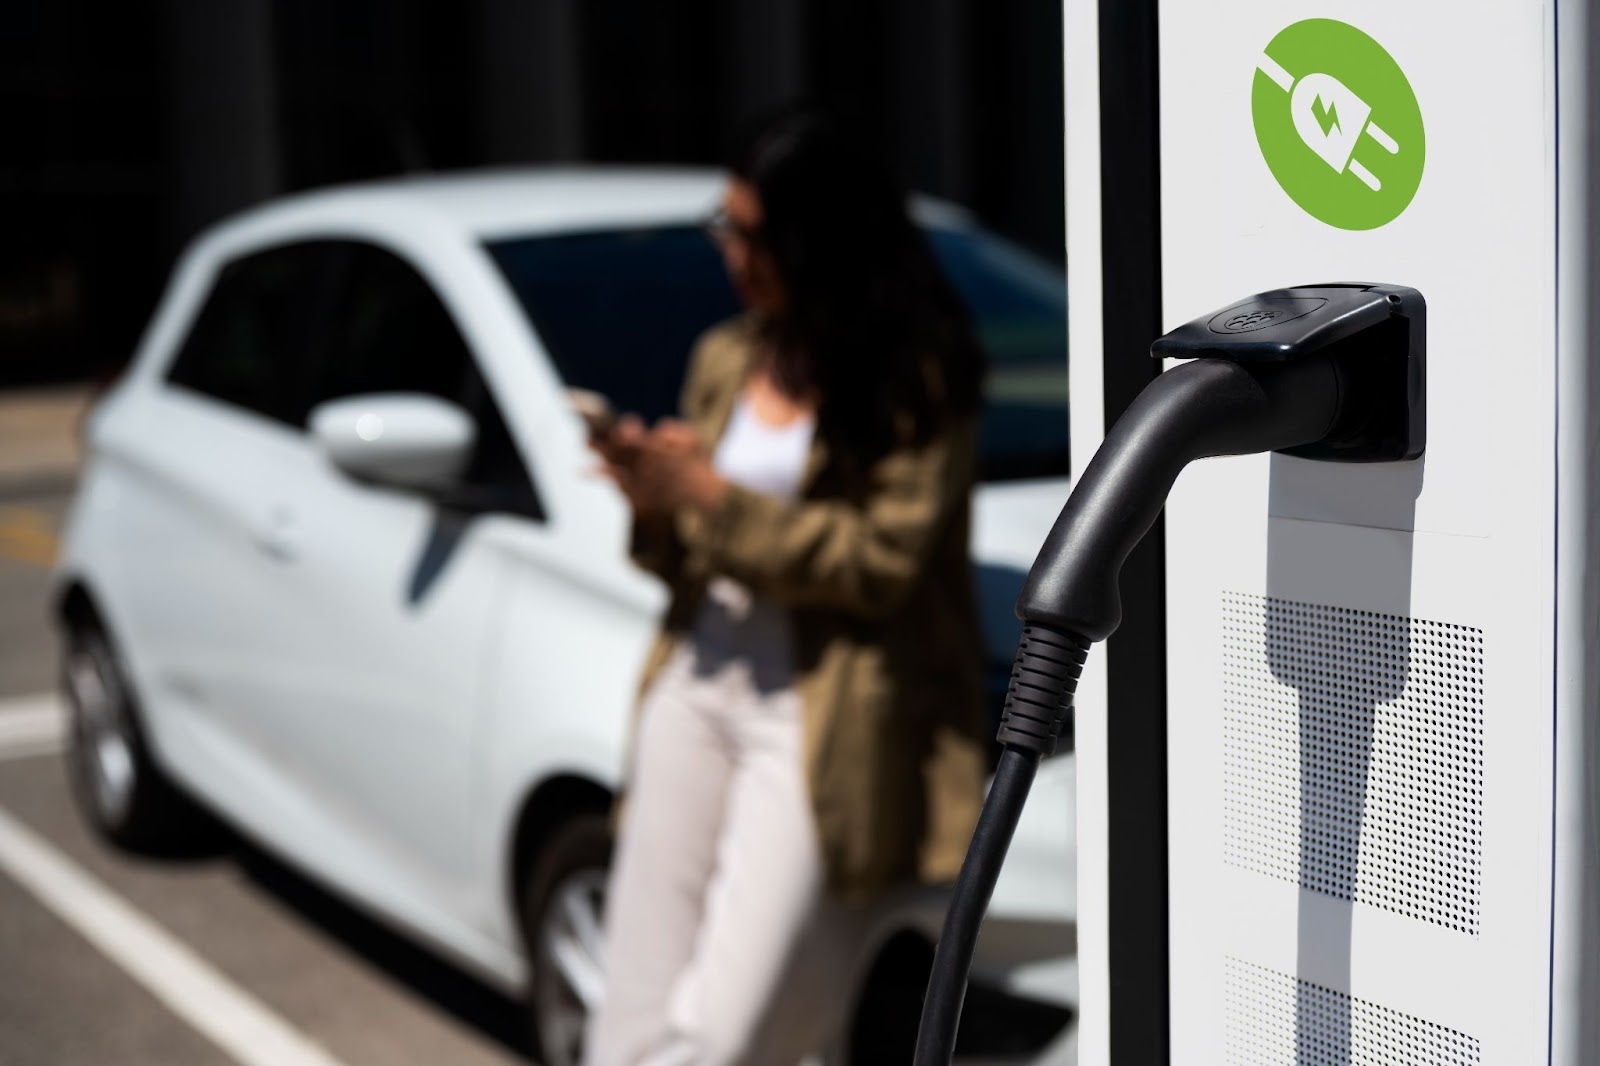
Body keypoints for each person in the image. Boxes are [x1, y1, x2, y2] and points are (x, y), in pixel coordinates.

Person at [583, 106, 989, 1066]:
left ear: (819, 241)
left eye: (749, 232)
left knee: (737, 1037)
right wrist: (653, 494)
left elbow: (881, 565)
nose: (730, 251)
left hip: (823, 716)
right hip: (694, 683)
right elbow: (679, 559)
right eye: (723, 226)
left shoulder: (915, 375)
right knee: (629, 1020)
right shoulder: (728, 355)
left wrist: (712, 500)